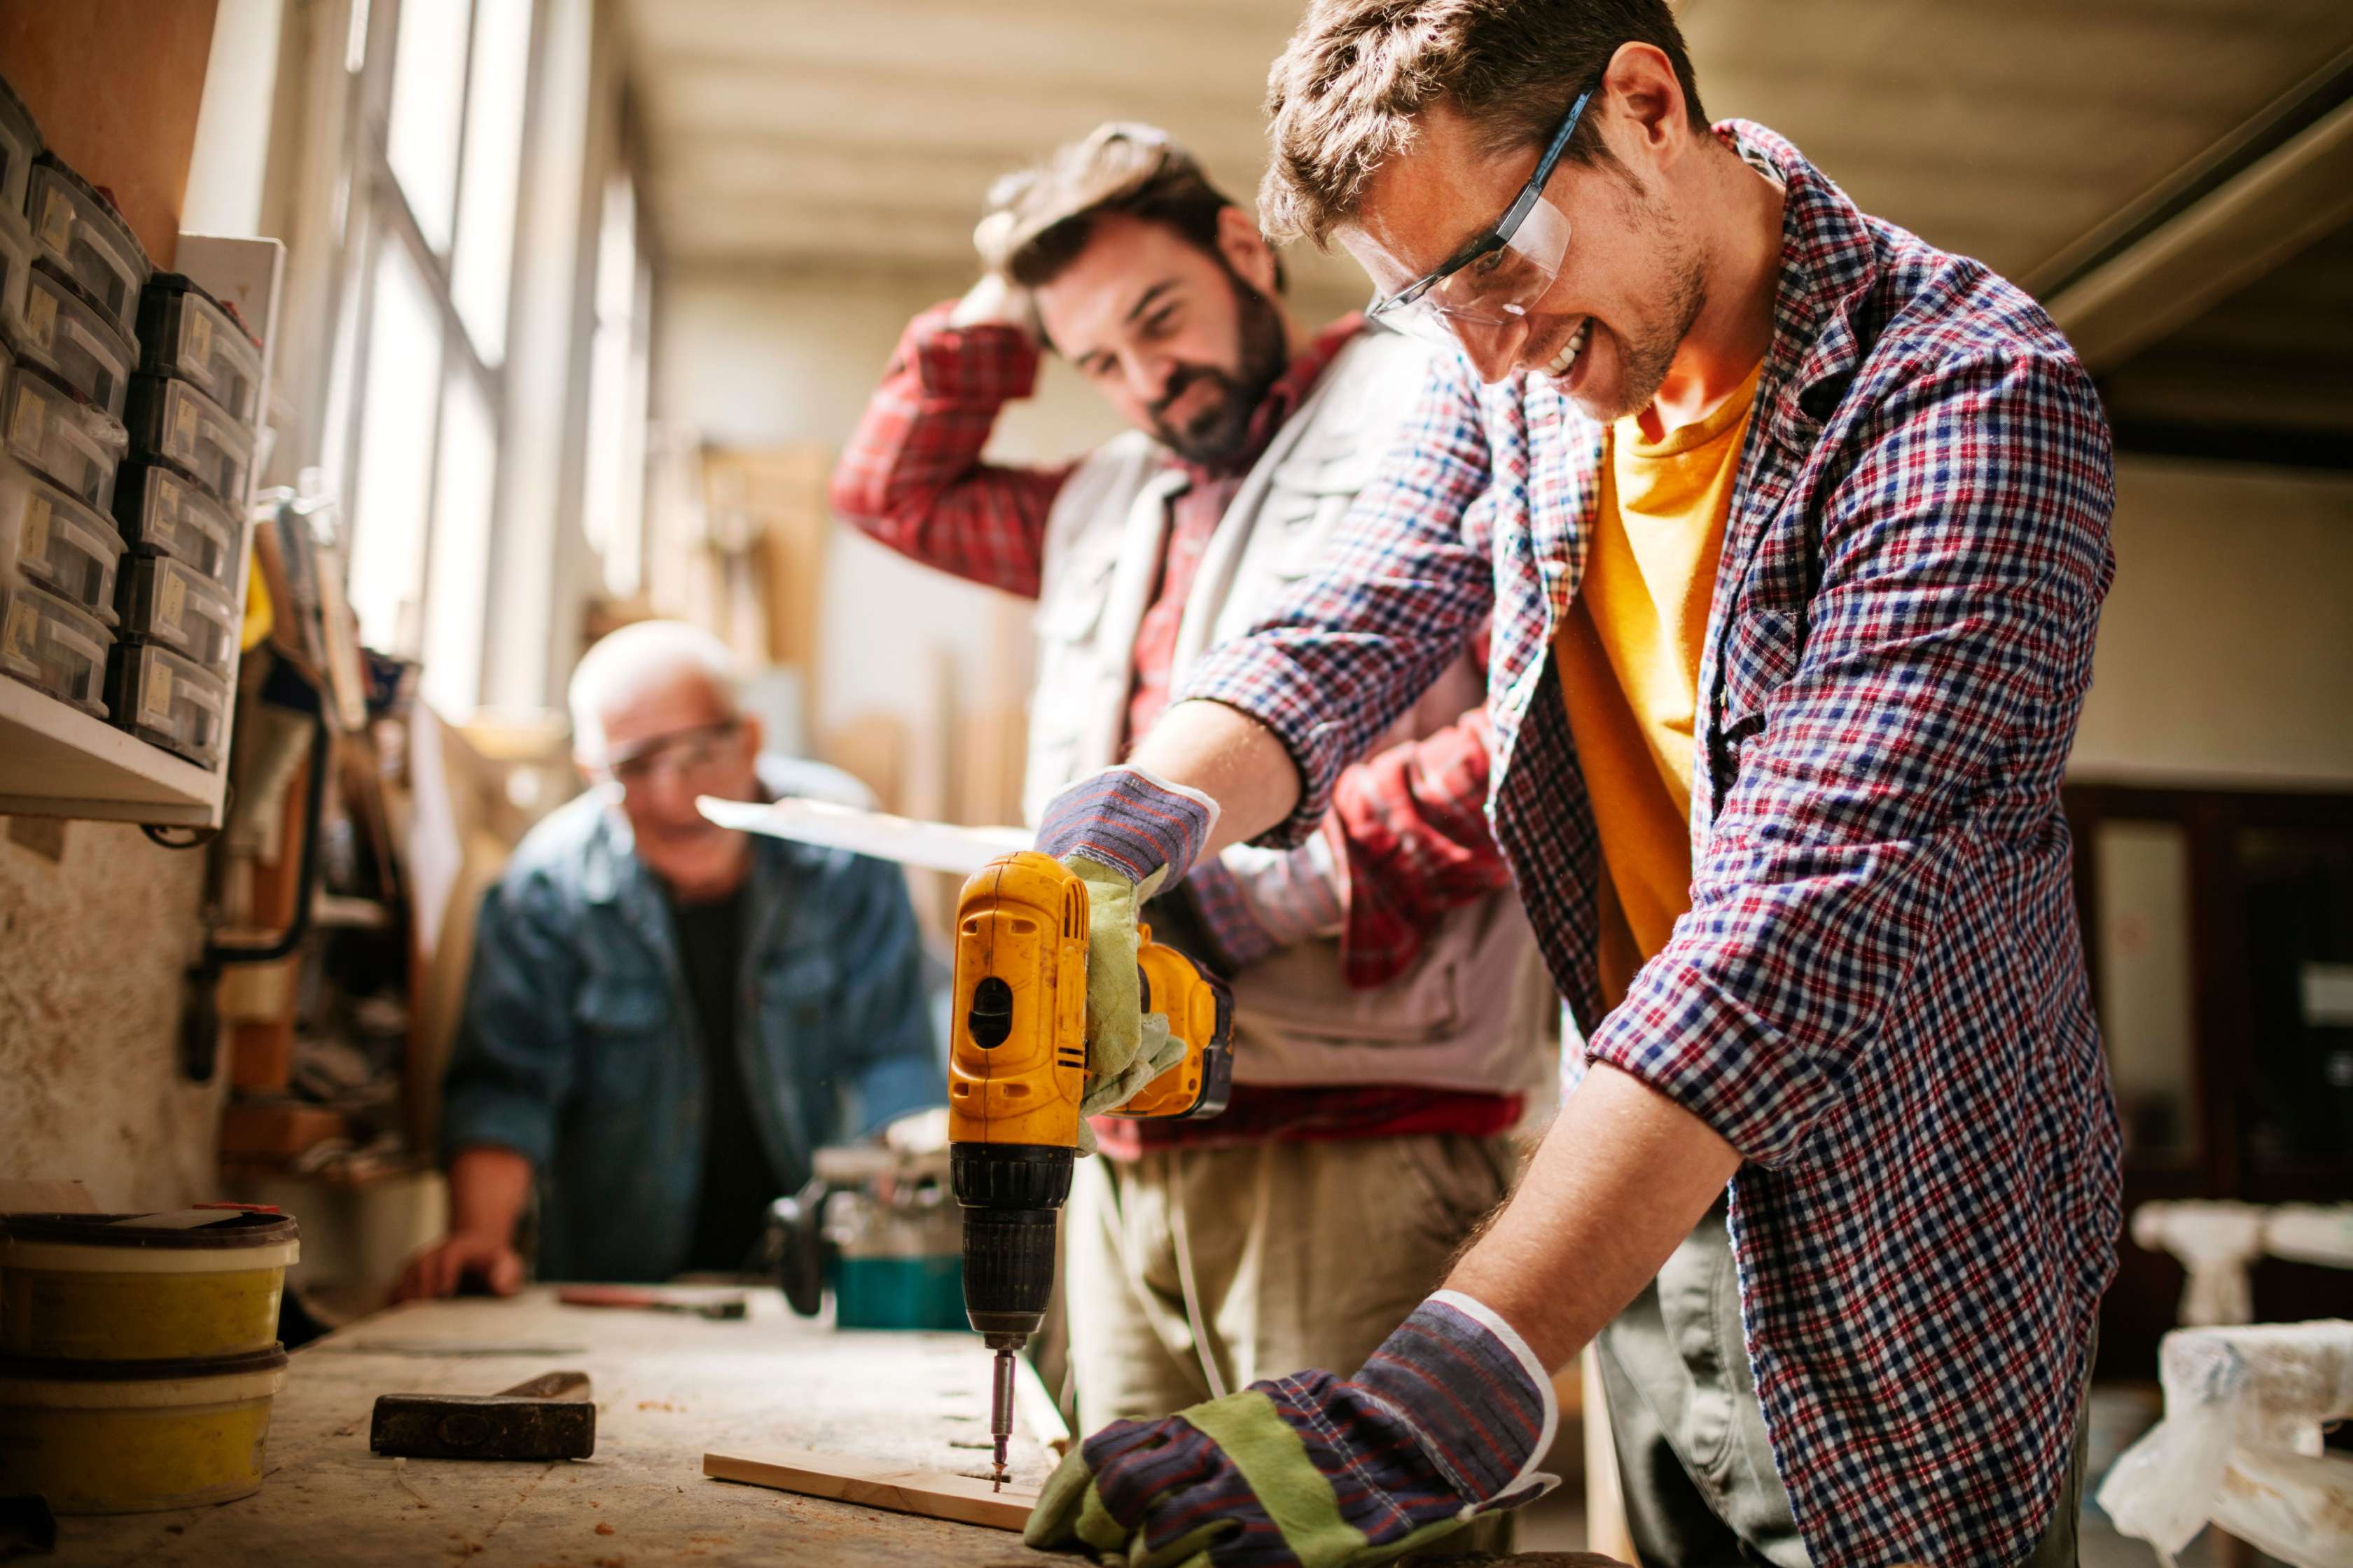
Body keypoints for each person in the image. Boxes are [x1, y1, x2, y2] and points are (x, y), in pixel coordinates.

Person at [1020, 4, 2120, 1566]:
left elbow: (1793, 928)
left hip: (1906, 1227)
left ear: (1647, 105)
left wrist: (1434, 1396)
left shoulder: (1965, 396)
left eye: (1491, 267)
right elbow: (1354, 618)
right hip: (1637, 1186)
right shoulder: (1533, 369)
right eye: (1421, 306)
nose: (1484, 348)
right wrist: (1126, 830)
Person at [832, 125, 1555, 1436]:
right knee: (1126, 1512)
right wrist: (1015, 279)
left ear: (1243, 249)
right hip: (1118, 1133)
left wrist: (1274, 892)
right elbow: (891, 489)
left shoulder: (1431, 389)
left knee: (1354, 1522)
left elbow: (1540, 729)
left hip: (1356, 1127)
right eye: (1097, 360)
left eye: (1159, 319)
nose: (1148, 379)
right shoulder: (1101, 497)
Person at [396, 621, 940, 1296]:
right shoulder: (544, 891)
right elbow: (507, 1089)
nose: (673, 796)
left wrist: (901, 1227)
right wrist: (481, 1240)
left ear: (750, 738)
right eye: (633, 766)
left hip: (823, 1281)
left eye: (701, 752)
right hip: (618, 1287)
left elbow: (895, 1055)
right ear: (591, 773)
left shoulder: (846, 847)